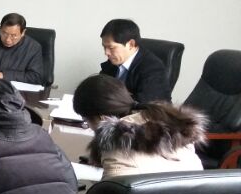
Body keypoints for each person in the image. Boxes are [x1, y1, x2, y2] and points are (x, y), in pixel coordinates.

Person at [72, 74, 206, 177]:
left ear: (102, 118)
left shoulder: (115, 149)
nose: (89, 127)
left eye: (86, 120)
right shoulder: (175, 125)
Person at [98, 18, 171, 103]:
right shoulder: (112, 62)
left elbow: (143, 104)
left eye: (111, 47)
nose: (106, 53)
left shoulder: (153, 69)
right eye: (104, 47)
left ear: (131, 44)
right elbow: (99, 90)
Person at [0, 12, 45, 85]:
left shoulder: (33, 48)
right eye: (4, 33)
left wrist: (3, 75)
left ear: (23, 33)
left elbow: (36, 77)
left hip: (16, 92)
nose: (8, 40)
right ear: (0, 29)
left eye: (13, 35)